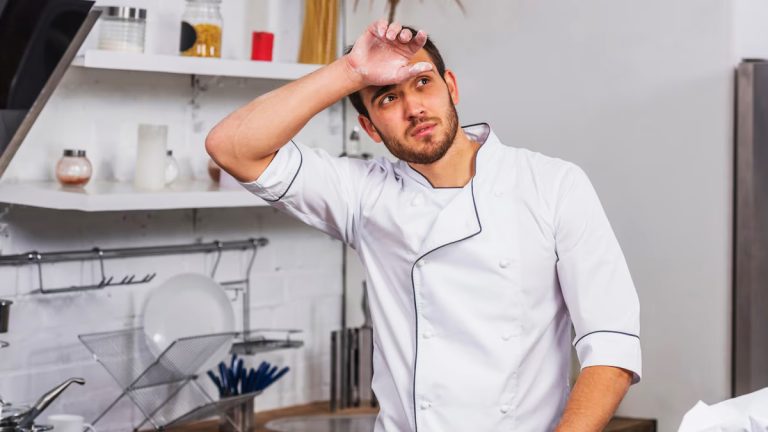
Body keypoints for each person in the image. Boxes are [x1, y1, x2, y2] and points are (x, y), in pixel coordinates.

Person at [206, 18, 641, 432]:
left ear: (450, 87)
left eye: (423, 83)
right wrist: (352, 70)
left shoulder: (552, 184)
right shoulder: (363, 194)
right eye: (388, 98)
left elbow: (611, 345)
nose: (414, 108)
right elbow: (231, 147)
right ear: (370, 127)